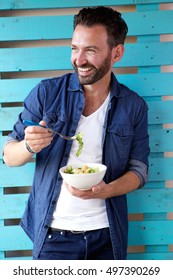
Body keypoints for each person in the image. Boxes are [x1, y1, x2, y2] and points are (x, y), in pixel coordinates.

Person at [3, 6, 149, 260]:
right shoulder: (46, 93)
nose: (79, 59)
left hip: (108, 236)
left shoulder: (133, 105)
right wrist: (29, 146)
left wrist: (106, 190)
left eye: (90, 50)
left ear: (117, 53)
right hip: (53, 237)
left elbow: (139, 171)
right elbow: (8, 156)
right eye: (74, 48)